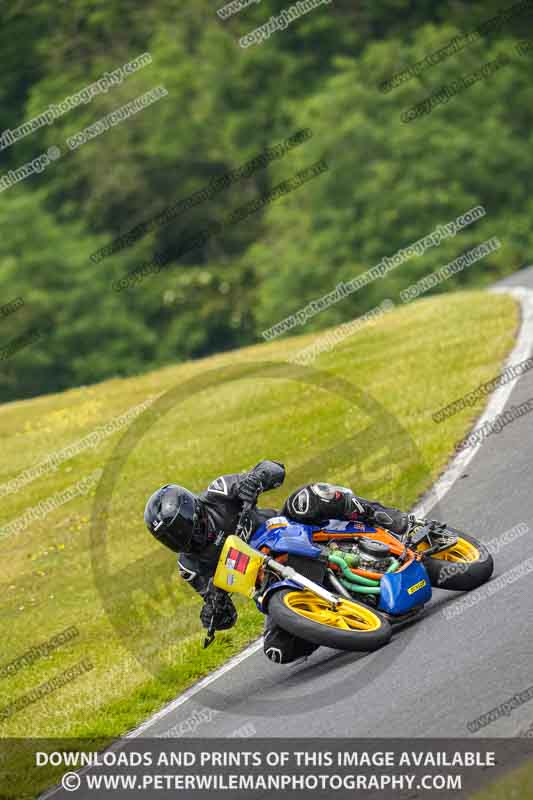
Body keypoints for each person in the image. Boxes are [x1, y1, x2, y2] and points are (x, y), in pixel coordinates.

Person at [144, 460, 415, 664]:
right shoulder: (190, 566)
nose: (181, 539)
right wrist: (215, 612)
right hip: (271, 582)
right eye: (171, 538)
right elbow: (224, 614)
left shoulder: (219, 492)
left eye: (180, 529)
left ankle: (389, 517)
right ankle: (335, 625)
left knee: (308, 498)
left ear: (193, 510)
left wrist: (255, 479)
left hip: (289, 530)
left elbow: (274, 469)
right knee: (278, 650)